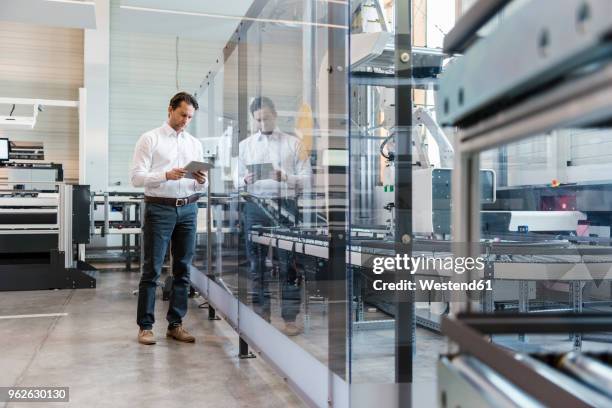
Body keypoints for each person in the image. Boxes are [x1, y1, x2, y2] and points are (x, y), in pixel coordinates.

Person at [130, 92, 208, 345]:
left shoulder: (194, 143)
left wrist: (201, 182)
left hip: (188, 209)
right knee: (152, 269)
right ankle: (145, 327)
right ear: (170, 109)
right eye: (182, 114)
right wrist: (165, 175)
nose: (186, 120)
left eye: (190, 117)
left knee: (183, 269)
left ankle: (176, 324)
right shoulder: (150, 139)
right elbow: (136, 178)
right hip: (159, 209)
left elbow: (199, 185)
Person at [235, 96, 312, 336]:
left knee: (288, 264)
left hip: (285, 206)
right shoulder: (245, 145)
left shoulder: (294, 143)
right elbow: (237, 180)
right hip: (255, 206)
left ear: (275, 115)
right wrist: (244, 181)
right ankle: (261, 316)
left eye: (266, 118)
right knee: (257, 265)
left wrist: (286, 177)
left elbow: (308, 179)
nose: (262, 123)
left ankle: (290, 319)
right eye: (258, 120)